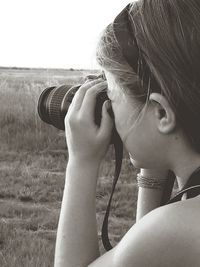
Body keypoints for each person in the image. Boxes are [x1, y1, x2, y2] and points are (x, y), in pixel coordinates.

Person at [54, 1, 200, 266]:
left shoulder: (171, 229)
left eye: (111, 96)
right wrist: (155, 160)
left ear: (162, 113)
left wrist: (81, 162)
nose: (109, 109)